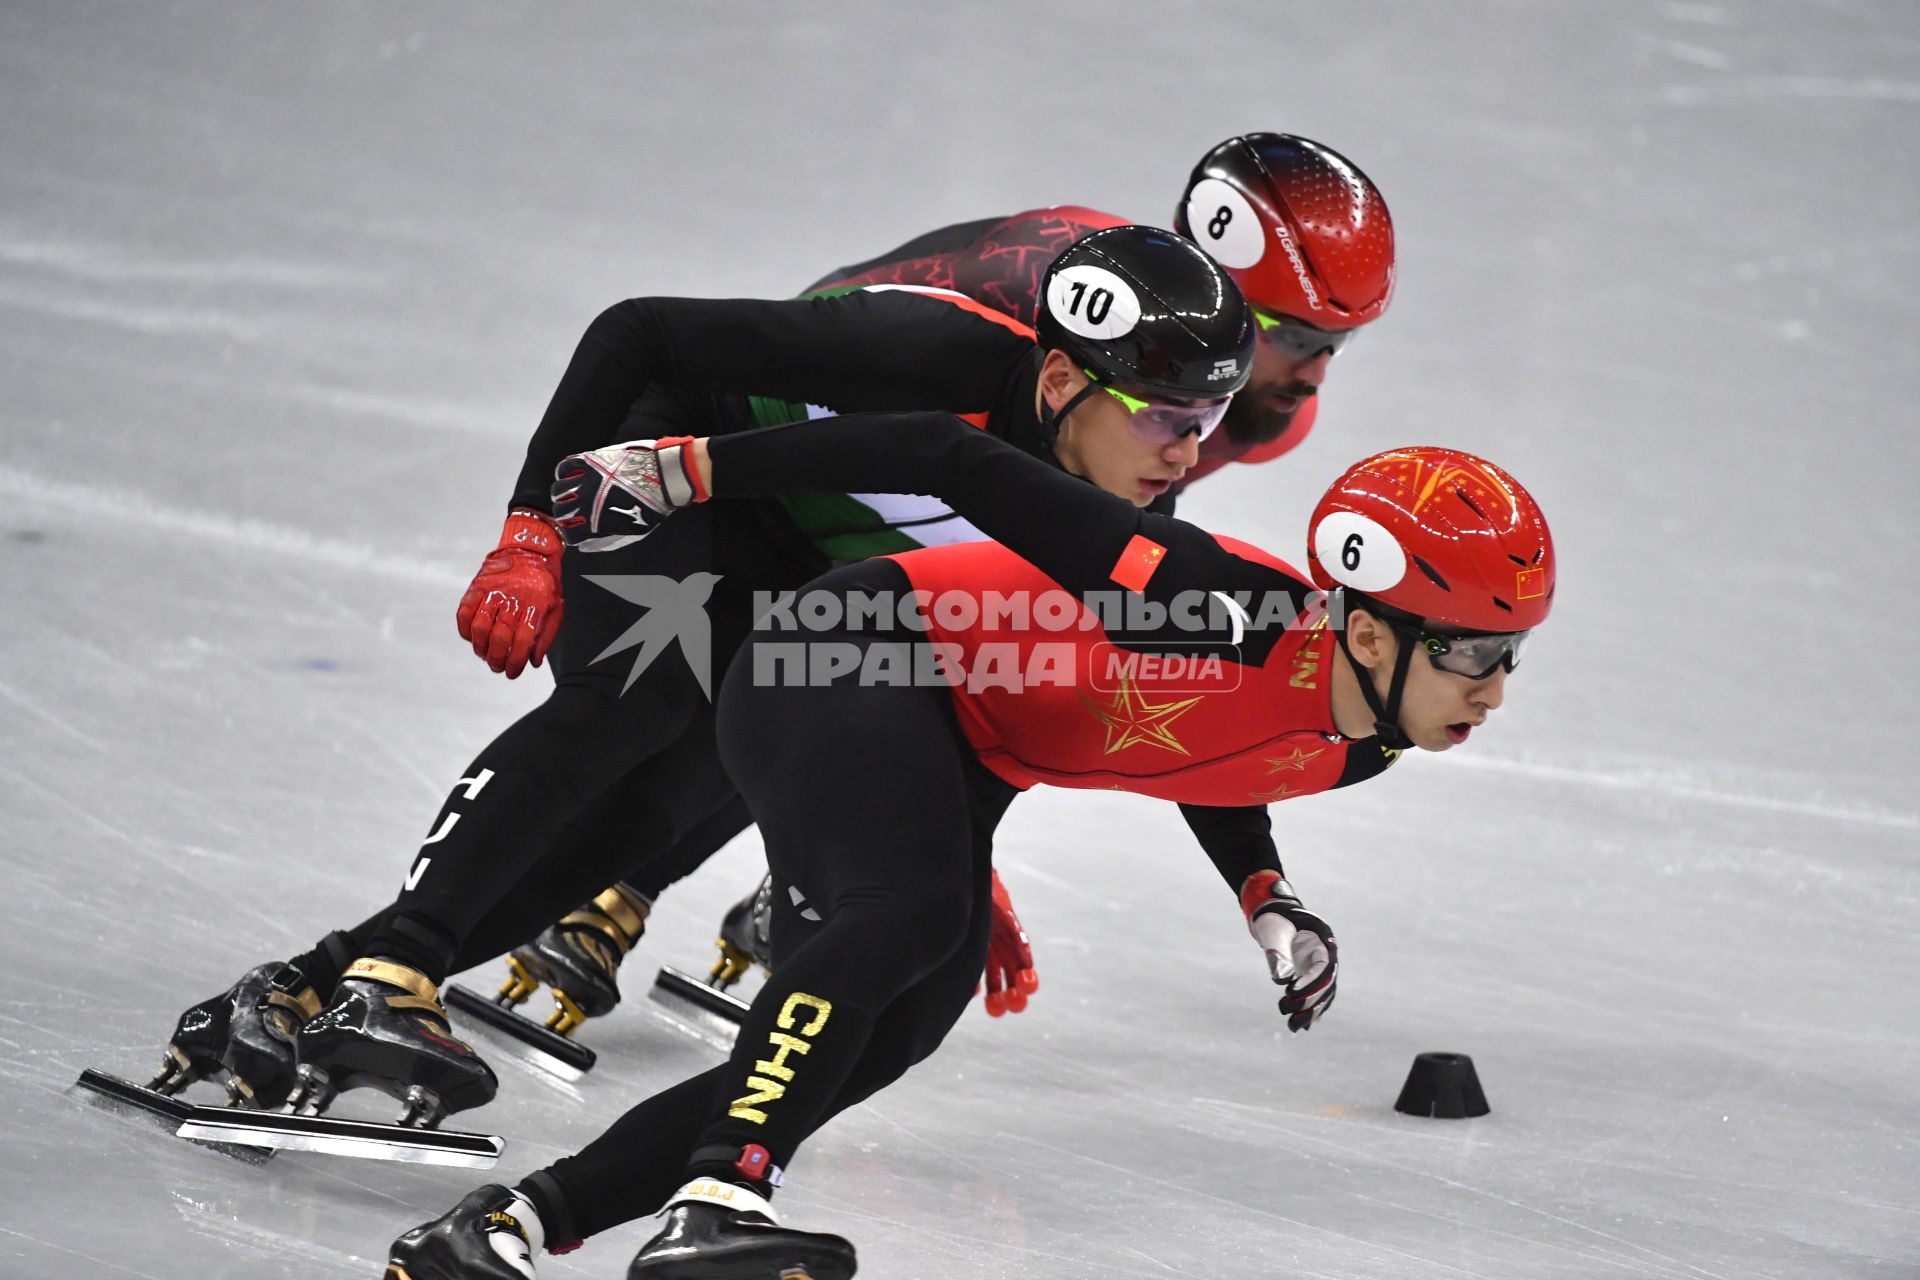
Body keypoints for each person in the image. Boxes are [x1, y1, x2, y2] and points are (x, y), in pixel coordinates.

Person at [383, 393, 1555, 1275]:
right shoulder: (1202, 593)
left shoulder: (1374, 736)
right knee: (906, 914)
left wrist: (1264, 891)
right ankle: (721, 1196)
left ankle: (508, 1224)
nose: (1493, 689)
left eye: (1509, 655)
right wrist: (690, 470)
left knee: (892, 1030)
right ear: (1366, 634)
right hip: (839, 647)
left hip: (956, 737)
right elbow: (950, 458)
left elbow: (1220, 748)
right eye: (1471, 653)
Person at [149, 225, 1255, 1125]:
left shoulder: (1128, 503)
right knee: (641, 694)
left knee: (679, 795)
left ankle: (306, 981)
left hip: (812, 566)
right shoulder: (930, 354)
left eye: (1208, 423)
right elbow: (639, 334)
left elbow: (1000, 671)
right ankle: (393, 974)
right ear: (1061, 379)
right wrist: (529, 530)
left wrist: (967, 843)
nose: (1188, 454)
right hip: (680, 476)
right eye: (1166, 417)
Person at [514, 130, 1398, 1034]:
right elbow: (855, 370)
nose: (1317, 375)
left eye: (1343, 343)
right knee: (804, 664)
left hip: (945, 485)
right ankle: (592, 888)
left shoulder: (1257, 412)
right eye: (1297, 337)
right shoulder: (1061, 285)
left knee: (847, 673)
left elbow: (1102, 559)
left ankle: (637, 885)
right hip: (832, 434)